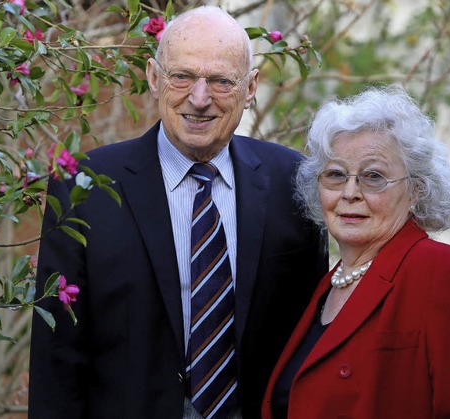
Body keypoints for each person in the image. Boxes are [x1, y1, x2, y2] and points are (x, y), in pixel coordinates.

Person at [28, 6, 329, 419]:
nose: (199, 98)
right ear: (154, 77)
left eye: (222, 81)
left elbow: (310, 340)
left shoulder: (294, 182)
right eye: (182, 76)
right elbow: (57, 357)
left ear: (251, 87)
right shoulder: (84, 186)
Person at [262, 85, 450, 418]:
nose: (350, 192)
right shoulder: (327, 284)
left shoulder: (447, 274)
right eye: (336, 175)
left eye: (373, 176)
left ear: (415, 191)